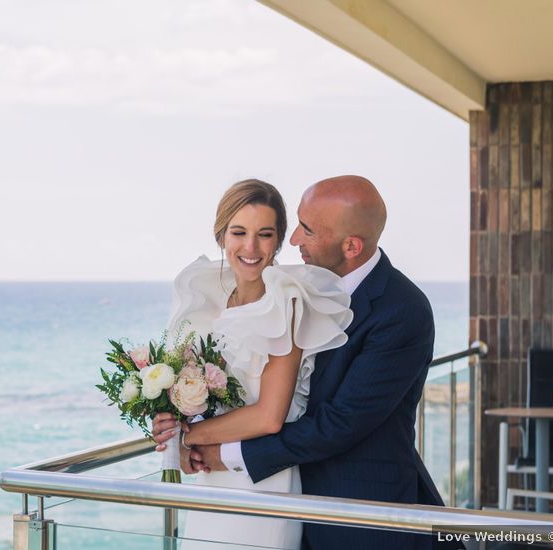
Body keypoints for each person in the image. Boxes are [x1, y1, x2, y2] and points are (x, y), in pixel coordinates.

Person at [154, 175, 446, 550]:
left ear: (351, 245)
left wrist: (212, 447)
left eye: (304, 230)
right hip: (251, 487)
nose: (294, 240)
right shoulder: (287, 289)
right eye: (238, 232)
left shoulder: (401, 310)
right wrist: (179, 427)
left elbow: (338, 423)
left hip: (357, 510)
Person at [156, 178, 354, 549]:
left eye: (265, 234)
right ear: (221, 236)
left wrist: (192, 437)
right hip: (211, 482)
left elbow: (269, 416)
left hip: (263, 483)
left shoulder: (287, 302)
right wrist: (174, 428)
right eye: (238, 232)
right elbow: (192, 396)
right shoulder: (206, 296)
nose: (250, 247)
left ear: (279, 241)